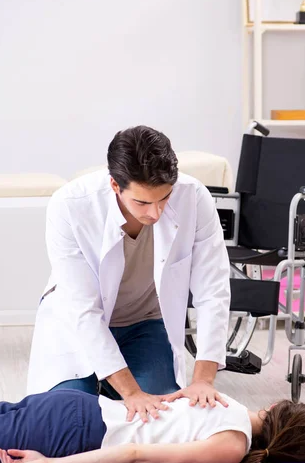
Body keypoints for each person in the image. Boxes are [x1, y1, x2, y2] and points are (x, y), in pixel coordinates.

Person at [27, 126, 231, 421]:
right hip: (75, 326)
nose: (155, 213)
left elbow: (213, 289)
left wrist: (203, 380)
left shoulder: (195, 197)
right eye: (143, 202)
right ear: (114, 186)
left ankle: (114, 389)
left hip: (145, 323)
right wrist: (132, 394)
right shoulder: (70, 206)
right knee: (66, 417)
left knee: (160, 417)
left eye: (164, 199)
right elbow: (84, 310)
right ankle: (103, 388)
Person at [0, 390, 305, 463]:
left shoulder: (224, 399)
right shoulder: (231, 448)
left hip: (76, 406)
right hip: (73, 433)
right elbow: (134, 454)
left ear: (274, 409)